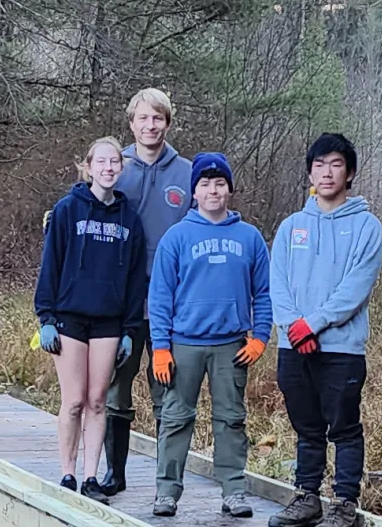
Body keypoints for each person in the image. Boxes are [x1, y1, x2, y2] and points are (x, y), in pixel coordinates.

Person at [267, 133, 382, 527]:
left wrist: (312, 324)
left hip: (342, 348)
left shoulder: (367, 227)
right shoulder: (291, 227)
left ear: (349, 172)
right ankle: (307, 497)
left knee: (345, 427)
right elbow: (277, 282)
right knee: (307, 426)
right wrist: (292, 326)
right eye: (320, 165)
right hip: (293, 346)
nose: (327, 172)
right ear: (310, 172)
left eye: (336, 164)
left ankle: (345, 505)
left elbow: (355, 287)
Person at [147, 152, 272, 518]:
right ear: (194, 192)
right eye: (205, 184)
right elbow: (160, 296)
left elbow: (263, 294)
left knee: (231, 419)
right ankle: (166, 492)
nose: (213, 190)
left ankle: (234, 491)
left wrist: (260, 336)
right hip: (183, 345)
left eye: (220, 184)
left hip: (231, 346)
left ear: (230, 190)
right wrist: (159, 347)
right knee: (174, 418)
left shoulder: (249, 238)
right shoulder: (177, 237)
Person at [34, 136, 146, 503]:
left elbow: (133, 278)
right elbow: (50, 265)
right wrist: (46, 315)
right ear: (89, 166)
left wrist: (130, 329)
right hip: (69, 317)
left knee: (98, 400)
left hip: (108, 321)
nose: (109, 168)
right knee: (74, 401)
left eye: (115, 162)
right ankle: (67, 472)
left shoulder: (130, 220)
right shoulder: (68, 210)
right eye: (102, 162)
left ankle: (91, 477)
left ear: (121, 167)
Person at [99, 88, 193, 497]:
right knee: (116, 389)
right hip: (121, 302)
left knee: (167, 394)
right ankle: (114, 475)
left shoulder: (189, 174)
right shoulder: (115, 166)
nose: (150, 125)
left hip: (171, 303)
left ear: (167, 123)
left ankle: (165, 484)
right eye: (142, 118)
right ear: (131, 122)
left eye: (157, 118)